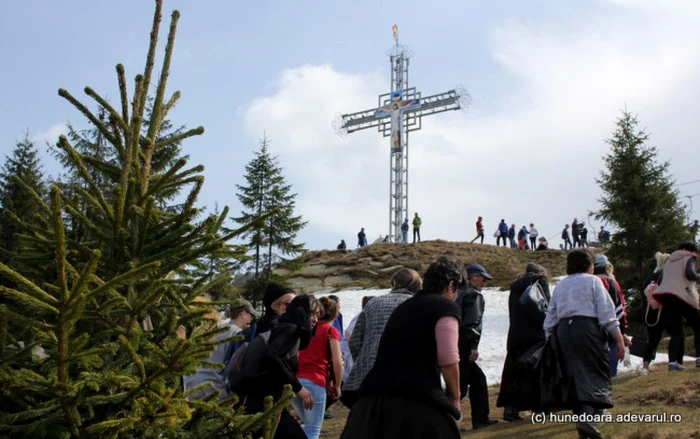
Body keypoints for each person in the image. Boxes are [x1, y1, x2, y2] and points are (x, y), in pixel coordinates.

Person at [340, 257, 464, 439]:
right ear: (451, 285)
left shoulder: (401, 307)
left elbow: (356, 342)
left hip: (371, 403)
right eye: (457, 291)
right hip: (416, 403)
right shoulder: (444, 307)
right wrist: (454, 398)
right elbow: (448, 358)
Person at [541, 249, 627, 438]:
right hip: (587, 329)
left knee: (572, 376)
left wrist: (551, 339)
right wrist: (619, 339)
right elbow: (607, 313)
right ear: (590, 266)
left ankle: (583, 423)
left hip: (563, 331)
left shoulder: (561, 285)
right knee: (594, 372)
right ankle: (590, 419)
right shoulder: (593, 281)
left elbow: (550, 317)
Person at [232, 294, 321, 439]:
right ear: (301, 311)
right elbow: (272, 355)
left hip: (266, 402)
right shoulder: (289, 329)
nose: (315, 319)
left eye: (318, 315)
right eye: (312, 313)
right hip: (262, 402)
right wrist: (299, 388)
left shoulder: (287, 328)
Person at [342, 269, 422, 408]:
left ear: (394, 283)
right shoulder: (419, 304)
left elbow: (355, 341)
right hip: (407, 377)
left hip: (370, 376)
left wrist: (363, 362)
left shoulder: (372, 303)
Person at [497, 263, 550, 421]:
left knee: (514, 374)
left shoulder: (515, 286)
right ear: (541, 272)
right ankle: (539, 408)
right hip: (536, 335)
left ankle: (511, 409)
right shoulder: (541, 281)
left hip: (516, 335)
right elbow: (546, 305)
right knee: (536, 371)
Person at [182, 297, 260, 400]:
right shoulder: (238, 334)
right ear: (244, 314)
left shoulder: (214, 329)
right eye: (252, 316)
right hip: (216, 389)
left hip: (191, 386)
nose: (251, 320)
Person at [292, 297, 343, 439]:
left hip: (295, 382)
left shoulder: (307, 328)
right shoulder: (331, 331)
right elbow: (338, 361)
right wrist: (337, 386)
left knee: (306, 426)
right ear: (335, 314)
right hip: (315, 381)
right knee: (313, 430)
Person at [457, 264, 497, 430]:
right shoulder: (474, 295)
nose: (484, 283)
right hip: (465, 344)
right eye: (482, 278)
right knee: (461, 386)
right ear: (472, 277)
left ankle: (480, 419)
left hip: (455, 342)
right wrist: (473, 345)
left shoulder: (458, 294)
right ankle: (474, 420)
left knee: (474, 381)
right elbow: (472, 322)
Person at [653, 241, 700, 371]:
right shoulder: (688, 257)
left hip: (667, 296)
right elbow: (689, 274)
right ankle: (699, 358)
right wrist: (698, 276)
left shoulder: (669, 260)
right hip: (682, 294)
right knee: (698, 326)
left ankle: (673, 362)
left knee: (677, 331)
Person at [593, 254, 629, 379]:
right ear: (607, 267)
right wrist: (622, 328)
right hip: (609, 320)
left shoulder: (589, 281)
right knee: (613, 345)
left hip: (591, 323)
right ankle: (611, 374)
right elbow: (618, 304)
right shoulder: (610, 281)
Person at [640, 252, 671, 375]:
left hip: (650, 313)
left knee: (652, 340)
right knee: (676, 336)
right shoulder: (667, 276)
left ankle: (645, 366)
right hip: (664, 312)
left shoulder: (651, 277)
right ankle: (674, 362)